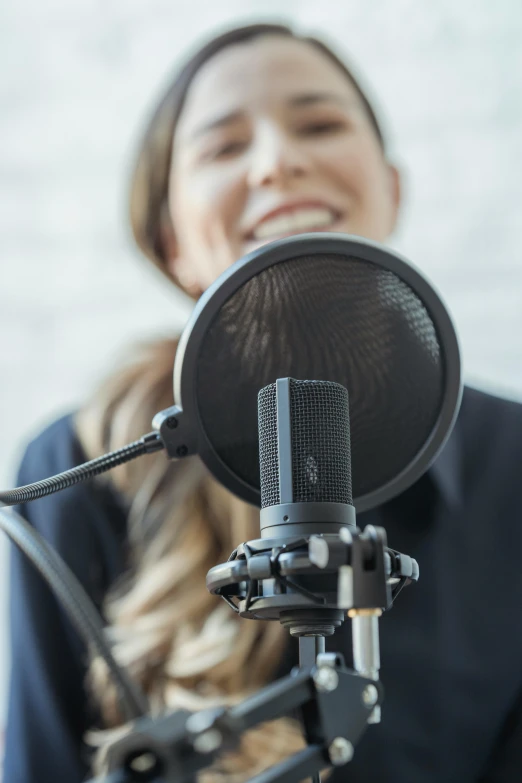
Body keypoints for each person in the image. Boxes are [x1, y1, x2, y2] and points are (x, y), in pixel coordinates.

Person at [5, 21, 522, 783]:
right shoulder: (75, 467)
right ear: (170, 238)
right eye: (222, 147)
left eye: (320, 123)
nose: (279, 162)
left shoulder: (514, 461)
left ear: (393, 186)